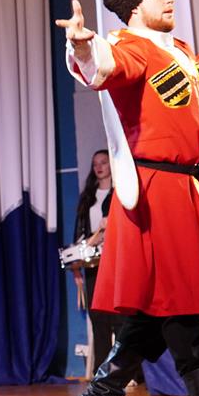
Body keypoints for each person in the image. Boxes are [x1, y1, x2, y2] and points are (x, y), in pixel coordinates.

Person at [56, 0, 199, 396]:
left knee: (158, 307)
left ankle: (100, 395)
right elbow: (101, 66)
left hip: (191, 188)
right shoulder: (131, 47)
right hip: (160, 190)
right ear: (136, 6)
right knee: (184, 305)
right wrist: (81, 45)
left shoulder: (180, 52)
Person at [71, 149, 122, 372]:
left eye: (104, 162)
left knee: (120, 316)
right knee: (98, 315)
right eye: (95, 164)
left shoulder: (119, 192)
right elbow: (79, 233)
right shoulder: (88, 197)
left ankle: (123, 369)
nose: (99, 167)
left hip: (116, 261)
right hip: (93, 263)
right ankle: (102, 370)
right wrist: (75, 265)